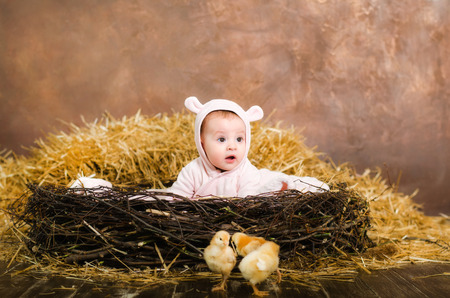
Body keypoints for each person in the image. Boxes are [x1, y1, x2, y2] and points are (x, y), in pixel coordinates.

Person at [71, 96, 329, 197]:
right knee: (154, 198)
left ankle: (302, 186)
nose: (232, 147)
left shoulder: (246, 172)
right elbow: (177, 197)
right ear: (202, 143)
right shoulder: (193, 170)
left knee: (278, 186)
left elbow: (248, 202)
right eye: (221, 139)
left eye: (239, 139)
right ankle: (98, 192)